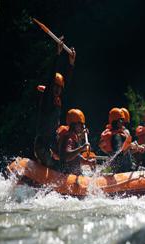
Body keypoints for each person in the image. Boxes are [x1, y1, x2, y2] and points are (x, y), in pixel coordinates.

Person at [34, 39, 76, 170]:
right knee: (55, 167)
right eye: (55, 86)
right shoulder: (47, 98)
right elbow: (51, 75)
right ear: (51, 87)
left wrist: (71, 63)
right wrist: (57, 54)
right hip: (42, 145)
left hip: (52, 143)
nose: (57, 89)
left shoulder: (58, 99)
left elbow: (67, 82)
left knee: (64, 164)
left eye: (59, 87)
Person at [99, 108, 145, 173]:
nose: (122, 123)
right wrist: (135, 147)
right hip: (124, 170)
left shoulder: (110, 134)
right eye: (121, 120)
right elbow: (121, 153)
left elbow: (102, 147)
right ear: (115, 121)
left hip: (119, 168)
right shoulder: (117, 136)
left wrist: (137, 148)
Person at [58, 109, 95, 175]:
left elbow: (76, 157)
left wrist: (87, 162)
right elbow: (66, 156)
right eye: (81, 124)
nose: (82, 127)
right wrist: (82, 148)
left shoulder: (72, 136)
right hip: (67, 175)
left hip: (72, 174)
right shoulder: (69, 138)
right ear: (75, 125)